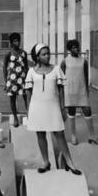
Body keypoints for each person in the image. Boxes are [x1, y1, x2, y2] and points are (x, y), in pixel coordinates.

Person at [24, 43, 81, 175]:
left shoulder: (56, 70)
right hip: (36, 107)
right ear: (37, 57)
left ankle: (70, 162)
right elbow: (28, 92)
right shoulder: (31, 72)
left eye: (48, 53)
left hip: (53, 106)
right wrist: (28, 109)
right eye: (44, 54)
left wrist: (62, 108)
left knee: (59, 134)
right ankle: (45, 162)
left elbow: (61, 91)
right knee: (40, 134)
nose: (47, 56)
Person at [60, 39, 98, 145]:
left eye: (77, 47)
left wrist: (87, 90)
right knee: (71, 112)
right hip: (69, 91)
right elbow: (61, 77)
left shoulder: (84, 61)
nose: (76, 49)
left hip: (81, 90)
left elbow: (86, 76)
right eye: (73, 47)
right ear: (69, 49)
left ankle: (92, 136)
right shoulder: (65, 61)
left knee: (87, 110)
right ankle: (73, 136)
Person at [2, 32, 29, 127]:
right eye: (15, 41)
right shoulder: (8, 54)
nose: (17, 43)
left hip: (23, 79)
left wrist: (28, 79)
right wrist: (6, 81)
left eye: (18, 41)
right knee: (12, 99)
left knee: (26, 97)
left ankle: (29, 115)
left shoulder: (24, 53)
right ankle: (15, 118)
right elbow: (4, 68)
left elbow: (27, 67)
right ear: (11, 42)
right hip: (12, 80)